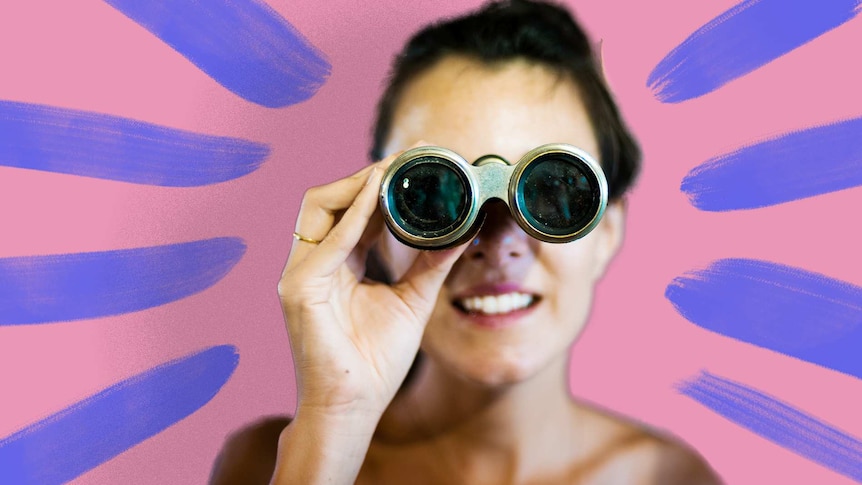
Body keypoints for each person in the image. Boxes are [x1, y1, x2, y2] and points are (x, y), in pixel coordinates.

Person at [211, 1, 723, 483]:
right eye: (437, 193)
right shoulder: (272, 464)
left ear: (606, 232)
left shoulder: (668, 477)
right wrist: (332, 422)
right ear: (379, 228)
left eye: (552, 191)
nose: (497, 242)